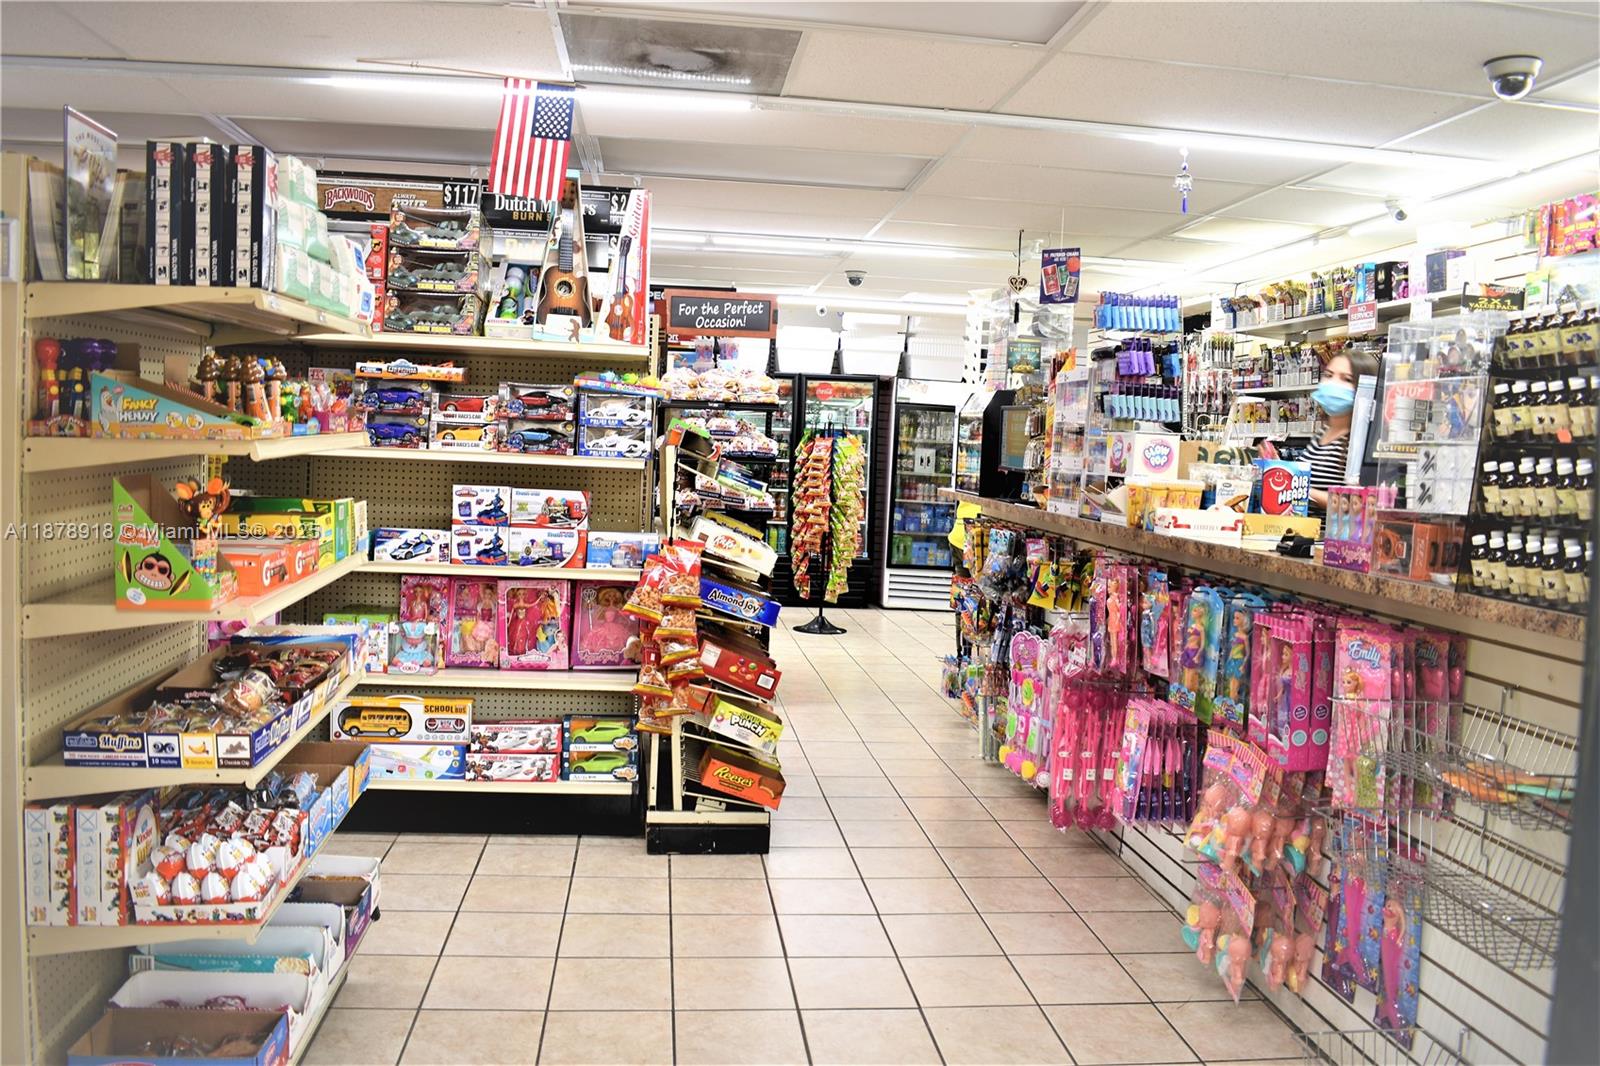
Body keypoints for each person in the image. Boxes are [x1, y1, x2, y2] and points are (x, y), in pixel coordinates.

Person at [1303, 348, 1380, 515]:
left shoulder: (1362, 444)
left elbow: (1359, 505)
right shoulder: (1321, 434)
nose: (1333, 384)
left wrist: (1303, 491)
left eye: (1346, 379)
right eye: (1329, 375)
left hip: (1333, 538)